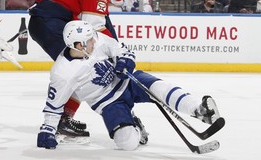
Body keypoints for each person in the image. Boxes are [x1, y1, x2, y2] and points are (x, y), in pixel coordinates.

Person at [36, 20, 221, 150]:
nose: (94, 40)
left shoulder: (96, 40)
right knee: (127, 144)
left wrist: (125, 61)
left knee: (160, 88)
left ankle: (199, 110)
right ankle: (135, 125)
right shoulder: (62, 72)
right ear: (78, 44)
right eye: (89, 40)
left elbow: (121, 49)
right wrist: (48, 130)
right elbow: (54, 104)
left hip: (126, 81)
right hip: (107, 104)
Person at [28, 0, 121, 139]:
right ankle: (58, 120)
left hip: (46, 21)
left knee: (83, 66)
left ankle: (62, 118)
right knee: (83, 67)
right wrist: (117, 50)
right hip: (51, 24)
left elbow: (112, 0)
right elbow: (94, 28)